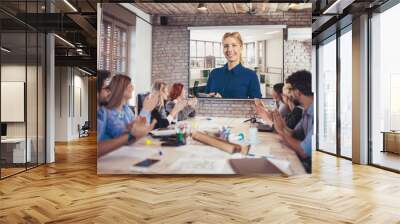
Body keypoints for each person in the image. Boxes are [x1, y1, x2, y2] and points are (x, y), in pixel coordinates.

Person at [97, 74, 159, 157]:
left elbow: (139, 131)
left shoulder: (127, 110)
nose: (133, 88)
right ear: (120, 88)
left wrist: (146, 111)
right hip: (109, 158)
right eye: (130, 85)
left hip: (123, 153)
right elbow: (124, 134)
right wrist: (145, 110)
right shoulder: (105, 112)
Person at [272, 70, 314, 173]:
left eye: (291, 89)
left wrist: (281, 132)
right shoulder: (306, 111)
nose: (289, 94)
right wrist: (282, 127)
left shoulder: (316, 113)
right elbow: (293, 134)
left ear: (298, 92)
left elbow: (304, 151)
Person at [205, 32, 262, 99]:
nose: (229, 50)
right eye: (226, 46)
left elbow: (256, 106)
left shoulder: (251, 75)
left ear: (241, 48)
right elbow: (205, 98)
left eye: (234, 45)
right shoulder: (214, 73)